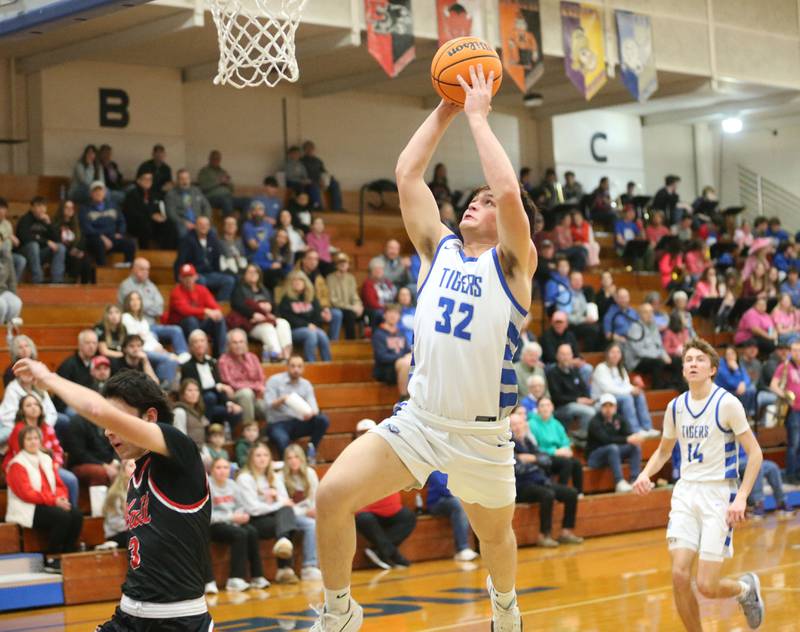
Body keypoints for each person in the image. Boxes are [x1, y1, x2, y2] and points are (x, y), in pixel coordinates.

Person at [312, 70, 537, 631]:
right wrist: (446, 108)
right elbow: (407, 173)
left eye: (483, 204)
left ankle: (505, 609)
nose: (474, 205)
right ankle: (340, 613)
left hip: (483, 435)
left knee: (495, 537)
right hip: (420, 421)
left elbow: (508, 191)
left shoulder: (513, 264)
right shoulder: (438, 249)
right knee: (331, 494)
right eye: (471, 200)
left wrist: (479, 117)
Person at [12, 361, 214, 630]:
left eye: (114, 419)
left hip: (177, 620)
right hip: (129, 614)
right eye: (106, 423)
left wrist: (48, 378)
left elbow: (96, 409)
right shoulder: (136, 472)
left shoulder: (181, 450)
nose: (107, 430)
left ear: (150, 418)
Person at [633, 339, 765, 631]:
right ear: (683, 370)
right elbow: (664, 450)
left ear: (713, 369)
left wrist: (741, 497)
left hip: (719, 493)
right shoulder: (675, 407)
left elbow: (755, 454)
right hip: (685, 492)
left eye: (699, 360)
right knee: (679, 576)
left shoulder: (727, 403)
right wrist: (646, 474)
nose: (693, 363)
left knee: (706, 585)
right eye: (688, 360)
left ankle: (745, 590)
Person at [5, 425, 83, 571]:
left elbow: (59, 485)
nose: (33, 442)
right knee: (62, 517)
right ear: (22, 442)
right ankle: (51, 557)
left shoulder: (46, 459)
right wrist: (54, 501)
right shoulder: (17, 464)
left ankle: (67, 554)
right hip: (27, 507)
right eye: (29, 439)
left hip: (48, 502)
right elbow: (27, 494)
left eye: (35, 438)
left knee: (76, 514)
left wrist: (61, 498)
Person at [510, 406, 582, 548]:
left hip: (539, 481)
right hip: (521, 487)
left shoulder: (528, 442)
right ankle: (544, 535)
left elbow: (547, 460)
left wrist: (530, 458)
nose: (517, 428)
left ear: (524, 425)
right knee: (547, 494)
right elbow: (517, 469)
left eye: (519, 424)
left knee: (571, 493)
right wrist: (535, 461)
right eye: (513, 425)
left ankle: (566, 532)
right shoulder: (508, 445)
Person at [236, 442, 300, 584]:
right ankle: (285, 570)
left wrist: (277, 498)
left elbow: (285, 500)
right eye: (258, 455)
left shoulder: (274, 477)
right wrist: (278, 503)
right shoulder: (244, 478)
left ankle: (283, 544)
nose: (262, 458)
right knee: (285, 524)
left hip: (273, 516)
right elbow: (253, 508)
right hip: (253, 520)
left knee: (287, 512)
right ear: (251, 458)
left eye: (265, 455)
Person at [205, 456, 270, 593]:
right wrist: (232, 517)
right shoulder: (207, 486)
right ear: (211, 470)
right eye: (218, 468)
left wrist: (242, 515)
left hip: (233, 523)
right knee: (239, 534)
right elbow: (207, 516)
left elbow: (241, 506)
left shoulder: (232, 485)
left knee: (252, 531)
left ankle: (257, 576)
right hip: (214, 525)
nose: (222, 471)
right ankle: (235, 579)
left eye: (225, 467)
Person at [2, 394, 79, 506]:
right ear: (22, 411)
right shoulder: (18, 429)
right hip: (25, 468)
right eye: (28, 405)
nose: (33, 407)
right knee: (69, 480)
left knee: (71, 480)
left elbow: (57, 450)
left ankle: (68, 508)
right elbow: (23, 456)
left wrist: (56, 463)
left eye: (36, 404)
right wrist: (47, 463)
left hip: (49, 465)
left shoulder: (47, 427)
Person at [118, 258, 189, 358]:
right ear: (134, 269)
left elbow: (159, 308)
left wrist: (145, 304)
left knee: (176, 330)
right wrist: (148, 304)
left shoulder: (150, 285)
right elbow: (135, 306)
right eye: (142, 269)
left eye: (147, 269)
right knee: (152, 337)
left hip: (152, 324)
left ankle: (184, 357)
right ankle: (164, 359)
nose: (146, 272)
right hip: (137, 326)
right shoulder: (126, 286)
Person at [65, 358, 119, 488]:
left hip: (109, 462)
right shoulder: (77, 421)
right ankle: (98, 508)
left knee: (130, 467)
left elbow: (119, 443)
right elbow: (79, 454)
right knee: (100, 473)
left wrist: (116, 462)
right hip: (83, 464)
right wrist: (104, 466)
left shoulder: (111, 420)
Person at [264, 354, 329, 456]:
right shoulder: (274, 380)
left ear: (303, 368)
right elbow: (268, 404)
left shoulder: (306, 384)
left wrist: (311, 413)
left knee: (322, 420)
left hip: (299, 422)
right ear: (287, 366)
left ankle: (310, 452)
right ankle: (287, 467)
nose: (296, 369)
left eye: (299, 366)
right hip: (278, 423)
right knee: (282, 439)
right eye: (293, 366)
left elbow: (314, 407)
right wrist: (282, 399)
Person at [180, 330, 243, 430]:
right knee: (210, 397)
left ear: (207, 344)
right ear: (191, 346)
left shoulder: (212, 363)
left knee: (236, 411)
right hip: (199, 403)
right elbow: (193, 389)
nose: (199, 344)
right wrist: (217, 387)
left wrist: (229, 403)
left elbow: (219, 385)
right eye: (196, 342)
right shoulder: (187, 367)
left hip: (214, 403)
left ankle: (223, 435)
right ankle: (203, 428)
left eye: (202, 341)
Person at [229, 263, 292, 362]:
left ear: (259, 275)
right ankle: (277, 356)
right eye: (250, 272)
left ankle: (286, 354)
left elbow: (274, 306)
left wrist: (271, 310)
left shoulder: (265, 290)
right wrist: (253, 314)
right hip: (251, 323)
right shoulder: (239, 289)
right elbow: (237, 306)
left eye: (256, 272)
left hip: (267, 319)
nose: (253, 274)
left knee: (283, 323)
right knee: (268, 328)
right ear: (244, 275)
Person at [591, 342, 657, 437]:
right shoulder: (601, 368)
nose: (615, 355)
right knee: (627, 398)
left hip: (619, 397)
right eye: (612, 352)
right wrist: (630, 391)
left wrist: (635, 389)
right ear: (607, 354)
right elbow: (608, 389)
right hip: (602, 400)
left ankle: (647, 427)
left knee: (639, 395)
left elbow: (626, 385)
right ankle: (635, 430)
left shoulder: (620, 368)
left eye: (618, 352)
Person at [165, 263, 228, 357]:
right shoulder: (176, 292)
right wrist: (205, 311)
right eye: (185, 277)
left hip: (199, 323)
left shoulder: (201, 289)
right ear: (180, 278)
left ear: (196, 277)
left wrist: (216, 312)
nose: (188, 279)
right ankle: (197, 355)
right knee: (191, 320)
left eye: (190, 276)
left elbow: (215, 306)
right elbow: (184, 310)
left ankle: (220, 356)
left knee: (219, 319)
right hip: (181, 326)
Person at [586, 394, 643, 493]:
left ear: (615, 407)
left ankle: (635, 479)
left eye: (610, 406)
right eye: (605, 406)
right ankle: (619, 482)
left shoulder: (619, 419)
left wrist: (634, 437)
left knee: (634, 447)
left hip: (613, 454)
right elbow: (606, 440)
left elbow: (628, 434)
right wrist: (627, 439)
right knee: (612, 448)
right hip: (595, 457)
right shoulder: (594, 422)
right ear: (601, 408)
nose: (608, 409)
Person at [283, 444, 323, 580]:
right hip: (292, 516)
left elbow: (317, 496)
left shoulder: (310, 473)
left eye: (296, 457)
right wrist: (306, 512)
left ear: (302, 459)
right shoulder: (281, 477)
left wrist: (315, 510)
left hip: (310, 513)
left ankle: (329, 564)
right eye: (289, 458)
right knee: (311, 525)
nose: (293, 460)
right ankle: (309, 566)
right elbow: (285, 505)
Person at [528, 397, 583, 494]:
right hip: (544, 457)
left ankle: (579, 493)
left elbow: (565, 440)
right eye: (542, 406)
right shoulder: (532, 424)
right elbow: (534, 447)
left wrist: (567, 449)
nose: (545, 408)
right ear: (538, 409)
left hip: (559, 454)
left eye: (548, 405)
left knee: (577, 463)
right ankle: (562, 492)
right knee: (566, 463)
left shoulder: (556, 423)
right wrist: (554, 452)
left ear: (552, 407)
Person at [175, 215, 235, 302]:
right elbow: (181, 261)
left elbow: (216, 260)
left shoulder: (213, 239)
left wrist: (218, 273)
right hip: (195, 274)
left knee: (229, 280)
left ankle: (220, 305)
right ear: (195, 226)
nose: (204, 227)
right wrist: (179, 278)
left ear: (209, 227)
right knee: (201, 281)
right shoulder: (187, 240)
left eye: (206, 225)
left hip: (210, 273)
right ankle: (203, 305)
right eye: (201, 224)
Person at [277, 271, 332, 362]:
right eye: (294, 280)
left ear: (305, 283)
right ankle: (311, 363)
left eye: (300, 280)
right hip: (293, 330)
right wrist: (306, 325)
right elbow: (287, 318)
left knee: (322, 335)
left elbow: (317, 315)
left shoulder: (311, 298)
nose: (297, 282)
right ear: (290, 284)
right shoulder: (286, 299)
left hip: (311, 328)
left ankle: (327, 363)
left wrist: (317, 322)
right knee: (311, 334)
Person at [425, 470, 479, 561]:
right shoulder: (434, 468)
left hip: (454, 499)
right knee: (459, 504)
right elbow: (443, 487)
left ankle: (482, 545)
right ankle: (462, 548)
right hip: (437, 503)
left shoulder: (456, 465)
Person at [79, 181, 136, 267]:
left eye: (100, 191)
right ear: (91, 194)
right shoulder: (85, 209)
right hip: (95, 238)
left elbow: (121, 221)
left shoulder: (113, 206)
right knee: (98, 243)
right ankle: (103, 269)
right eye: (95, 191)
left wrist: (120, 232)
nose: (98, 193)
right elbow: (86, 227)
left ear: (105, 192)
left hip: (112, 236)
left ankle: (127, 265)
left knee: (130, 243)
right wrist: (101, 237)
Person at [356, 491, 417, 570]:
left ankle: (378, 551)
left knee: (408, 517)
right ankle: (394, 555)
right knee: (364, 519)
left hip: (391, 509)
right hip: (365, 511)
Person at [218, 328, 267, 423]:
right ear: (229, 345)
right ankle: (248, 429)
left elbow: (261, 379)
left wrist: (258, 387)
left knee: (267, 408)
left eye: (241, 342)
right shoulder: (223, 360)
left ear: (246, 344)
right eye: (235, 343)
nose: (238, 345)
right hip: (235, 396)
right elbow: (231, 383)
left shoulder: (253, 357)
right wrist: (255, 386)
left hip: (255, 396)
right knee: (246, 393)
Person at [293, 248, 343, 341]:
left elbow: (325, 295)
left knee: (337, 314)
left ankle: (332, 343)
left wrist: (325, 308)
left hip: (319, 307)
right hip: (304, 309)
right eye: (310, 258)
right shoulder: (296, 276)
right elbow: (294, 298)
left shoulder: (319, 277)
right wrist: (318, 310)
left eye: (316, 259)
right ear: (303, 260)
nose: (313, 262)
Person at [546, 344, 596, 433]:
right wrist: (577, 400)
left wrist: (588, 399)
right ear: (557, 356)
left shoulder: (574, 370)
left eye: (568, 354)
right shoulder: (552, 373)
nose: (566, 357)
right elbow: (557, 397)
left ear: (572, 356)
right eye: (563, 354)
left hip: (577, 404)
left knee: (599, 407)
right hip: (562, 407)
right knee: (590, 412)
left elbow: (584, 387)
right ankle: (582, 437)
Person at [769, 339, 800, 484]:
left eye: (799, 350)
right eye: (794, 350)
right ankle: (790, 475)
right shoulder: (785, 366)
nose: (797, 353)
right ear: (790, 352)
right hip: (793, 410)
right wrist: (786, 396)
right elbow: (773, 385)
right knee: (794, 443)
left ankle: (798, 474)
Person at [16, 196, 66, 284]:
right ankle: (37, 279)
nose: (41, 209)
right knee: (33, 245)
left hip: (41, 253)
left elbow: (58, 240)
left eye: (44, 206)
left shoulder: (46, 221)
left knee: (60, 247)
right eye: (38, 206)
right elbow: (25, 238)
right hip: (26, 252)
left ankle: (57, 280)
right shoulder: (25, 220)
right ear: (32, 208)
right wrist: (46, 242)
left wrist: (49, 224)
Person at [122, 169, 171, 249]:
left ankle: (166, 252)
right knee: (145, 225)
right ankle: (145, 252)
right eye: (145, 179)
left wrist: (160, 215)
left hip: (152, 221)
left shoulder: (153, 193)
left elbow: (156, 208)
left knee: (168, 224)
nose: (148, 181)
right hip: (136, 223)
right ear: (138, 181)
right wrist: (151, 216)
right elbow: (132, 213)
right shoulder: (132, 195)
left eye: (150, 179)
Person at [371, 303, 412, 397]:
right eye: (390, 312)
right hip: (386, 369)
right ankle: (403, 397)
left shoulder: (400, 333)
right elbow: (382, 357)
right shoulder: (378, 334)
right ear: (385, 315)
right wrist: (401, 357)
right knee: (405, 363)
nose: (393, 315)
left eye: (396, 313)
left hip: (401, 366)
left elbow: (407, 351)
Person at [54, 329, 98, 412]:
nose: (91, 346)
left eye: (94, 343)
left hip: (87, 404)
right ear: (80, 345)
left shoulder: (95, 363)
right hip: (67, 405)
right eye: (87, 343)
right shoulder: (68, 365)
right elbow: (61, 394)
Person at [197, 150, 250, 218]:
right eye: (214, 158)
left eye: (218, 159)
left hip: (228, 197)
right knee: (226, 200)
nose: (216, 160)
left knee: (247, 200)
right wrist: (219, 181)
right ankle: (229, 224)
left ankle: (242, 223)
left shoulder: (223, 171)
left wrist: (228, 183)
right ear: (209, 159)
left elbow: (232, 189)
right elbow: (203, 187)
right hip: (212, 199)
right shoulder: (204, 171)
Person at [165, 168, 213, 240]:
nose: (185, 181)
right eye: (182, 179)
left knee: (213, 232)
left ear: (190, 180)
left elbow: (207, 206)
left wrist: (205, 220)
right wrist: (184, 222)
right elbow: (171, 213)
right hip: (182, 222)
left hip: (199, 221)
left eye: (187, 178)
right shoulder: (171, 194)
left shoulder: (196, 190)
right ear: (177, 181)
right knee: (183, 232)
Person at [327, 252, 364, 340]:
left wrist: (358, 305)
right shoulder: (330, 278)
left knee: (366, 312)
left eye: (345, 262)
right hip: (336, 307)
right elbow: (333, 300)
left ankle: (363, 339)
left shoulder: (351, 278)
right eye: (340, 262)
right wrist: (351, 307)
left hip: (349, 307)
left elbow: (354, 296)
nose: (343, 264)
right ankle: (351, 342)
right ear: (336, 265)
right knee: (350, 314)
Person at [102, 459, 135, 550]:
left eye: (136, 465)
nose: (135, 468)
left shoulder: (140, 490)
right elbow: (114, 522)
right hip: (116, 534)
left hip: (132, 531)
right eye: (131, 466)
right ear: (123, 470)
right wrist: (134, 526)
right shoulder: (115, 493)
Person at [301, 140, 343, 211]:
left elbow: (324, 172)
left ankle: (337, 208)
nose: (310, 150)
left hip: (321, 180)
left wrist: (326, 179)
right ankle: (319, 207)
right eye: (308, 148)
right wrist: (316, 180)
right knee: (314, 185)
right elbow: (302, 175)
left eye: (312, 148)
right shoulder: (301, 161)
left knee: (335, 184)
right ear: (304, 150)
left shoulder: (318, 160)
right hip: (310, 181)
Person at [172, 378, 210, 448]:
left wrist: (205, 453)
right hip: (189, 453)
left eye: (196, 390)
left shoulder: (199, 412)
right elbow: (181, 439)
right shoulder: (179, 411)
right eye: (190, 390)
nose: (194, 393)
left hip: (200, 452)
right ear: (183, 393)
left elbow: (201, 438)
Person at [361, 258, 396, 327]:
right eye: (376, 269)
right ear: (371, 271)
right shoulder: (368, 283)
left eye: (380, 269)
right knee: (380, 313)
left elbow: (394, 295)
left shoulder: (387, 282)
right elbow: (372, 303)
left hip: (389, 308)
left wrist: (393, 308)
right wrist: (386, 309)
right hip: (375, 309)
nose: (379, 271)